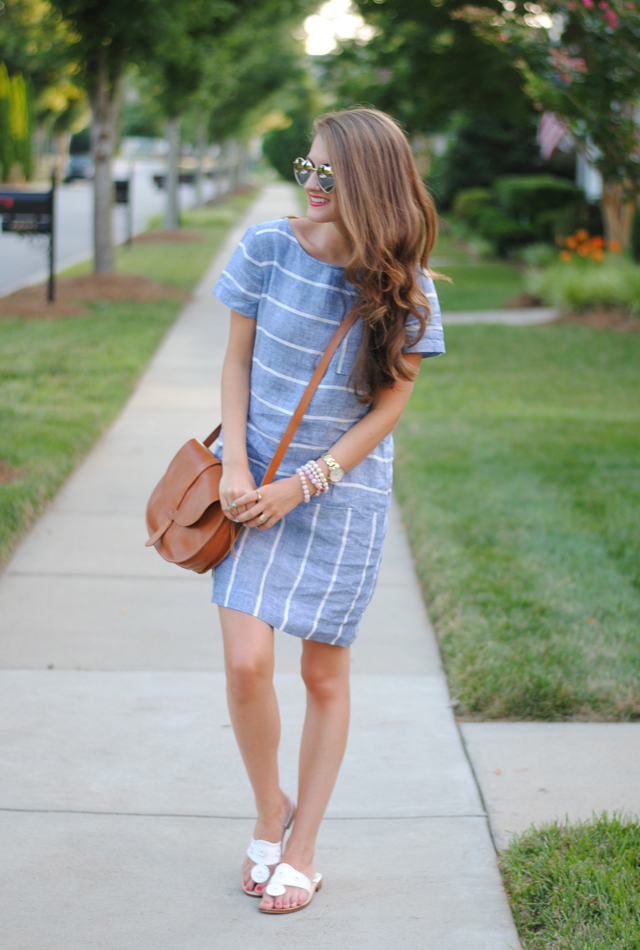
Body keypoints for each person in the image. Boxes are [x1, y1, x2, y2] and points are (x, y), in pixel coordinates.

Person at [212, 107, 445, 915]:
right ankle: (268, 808)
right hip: (253, 487)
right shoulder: (267, 248)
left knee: (320, 672)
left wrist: (305, 484)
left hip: (339, 498)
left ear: (371, 184)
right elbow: (235, 362)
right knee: (246, 662)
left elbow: (387, 411)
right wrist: (236, 469)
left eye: (328, 174)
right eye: (305, 168)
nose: (310, 185)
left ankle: (302, 846)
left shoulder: (405, 287)